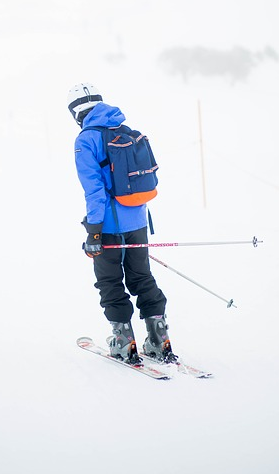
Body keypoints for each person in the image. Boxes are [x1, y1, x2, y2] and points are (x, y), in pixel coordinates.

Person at [68, 82, 176, 364]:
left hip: (108, 226)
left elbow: (94, 191)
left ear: (76, 112)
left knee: (110, 281)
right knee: (141, 277)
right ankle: (159, 339)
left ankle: (123, 342)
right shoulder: (125, 131)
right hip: (138, 220)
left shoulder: (85, 140)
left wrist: (94, 232)